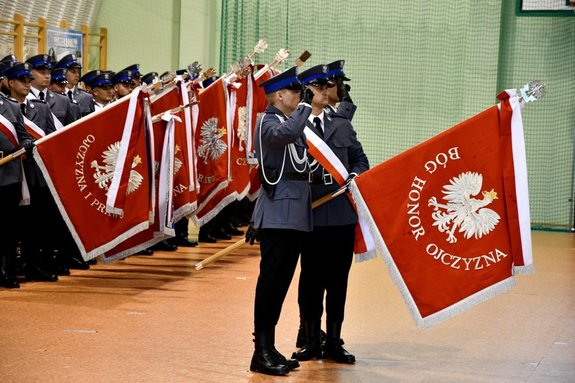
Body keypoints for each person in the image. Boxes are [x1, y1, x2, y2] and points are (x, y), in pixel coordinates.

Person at [292, 64, 369, 364]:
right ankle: (311, 341)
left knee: (338, 282)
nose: (327, 92)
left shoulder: (341, 125)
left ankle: (334, 341)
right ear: (307, 90)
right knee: (310, 281)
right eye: (320, 87)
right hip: (309, 217)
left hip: (340, 217)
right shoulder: (296, 125)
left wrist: (354, 174)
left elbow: (360, 159)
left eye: (328, 87)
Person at [245, 66, 314, 376]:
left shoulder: (290, 121)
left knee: (281, 285)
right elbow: (284, 136)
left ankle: (270, 347)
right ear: (279, 96)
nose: (300, 98)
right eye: (296, 93)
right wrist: (305, 108)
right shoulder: (268, 121)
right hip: (278, 216)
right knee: (270, 285)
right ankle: (260, 351)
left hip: (294, 215)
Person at [6, 62, 60, 282]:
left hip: (35, 174)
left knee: (38, 222)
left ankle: (34, 264)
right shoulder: (4, 106)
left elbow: (51, 137)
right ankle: (11, 265)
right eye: (22, 80)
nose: (27, 84)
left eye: (29, 80)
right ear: (9, 83)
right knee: (13, 224)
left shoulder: (41, 107)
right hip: (11, 173)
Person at [0, 72, 34, 288]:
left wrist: (27, 144)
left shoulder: (11, 107)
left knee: (7, 227)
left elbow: (24, 136)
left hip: (7, 176)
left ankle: (5, 269)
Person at [26, 54, 78, 127]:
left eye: (49, 73)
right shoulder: (23, 99)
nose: (47, 76)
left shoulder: (63, 100)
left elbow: (71, 129)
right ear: (30, 73)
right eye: (42, 73)